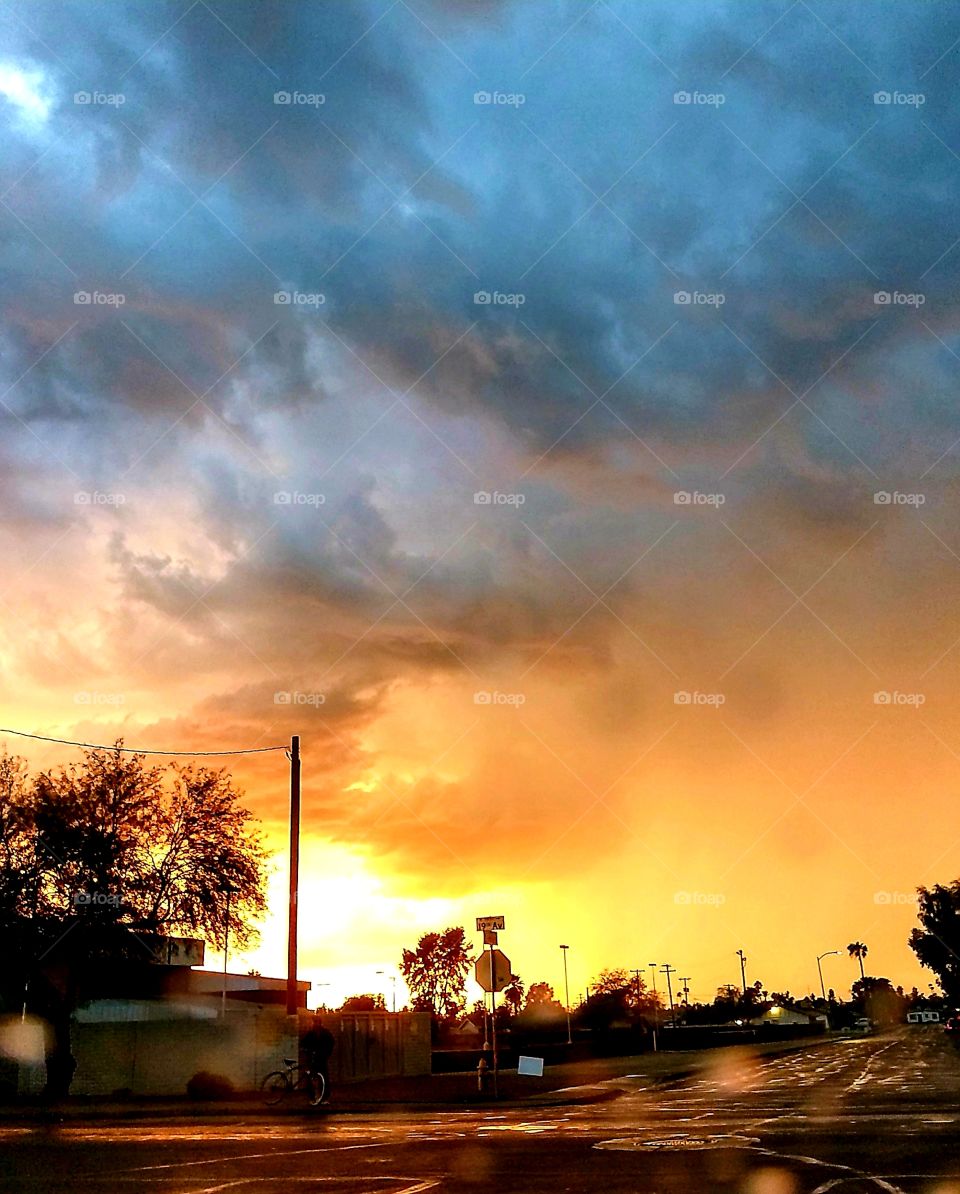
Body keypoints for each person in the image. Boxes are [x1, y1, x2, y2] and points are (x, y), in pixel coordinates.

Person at [300, 1012, 335, 1103]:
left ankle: (324, 1097)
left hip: (322, 1058)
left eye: (317, 1022)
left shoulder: (325, 1033)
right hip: (312, 1058)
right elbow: (303, 1044)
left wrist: (326, 1053)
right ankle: (312, 1097)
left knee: (324, 1078)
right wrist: (306, 1050)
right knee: (310, 1078)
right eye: (314, 1022)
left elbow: (331, 1043)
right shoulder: (310, 1034)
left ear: (320, 1023)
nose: (315, 1024)